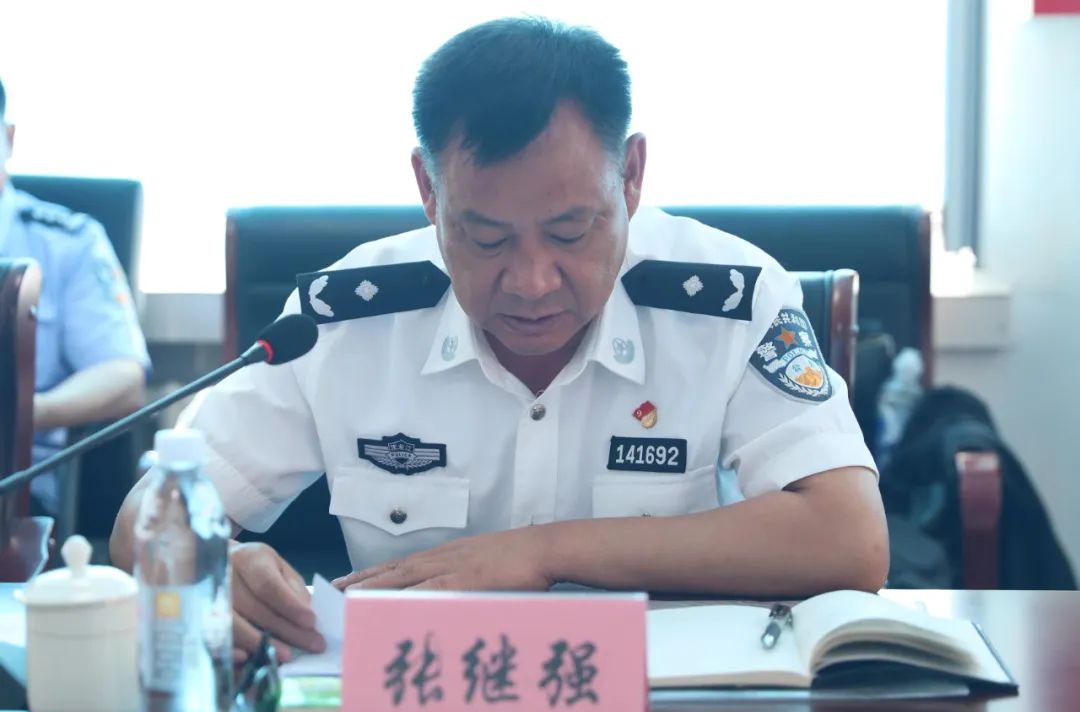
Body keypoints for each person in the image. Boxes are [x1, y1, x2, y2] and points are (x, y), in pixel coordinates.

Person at [112, 17, 889, 664]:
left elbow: (850, 538)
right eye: (486, 239)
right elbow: (147, 516)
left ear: (632, 174)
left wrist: (543, 552)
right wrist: (217, 566)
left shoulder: (729, 300)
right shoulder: (346, 318)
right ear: (428, 190)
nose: (532, 281)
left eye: (570, 231)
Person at [0, 76, 150, 516]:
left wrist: (22, 414)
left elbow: (122, 378)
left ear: (8, 139)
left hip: (14, 484)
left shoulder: (69, 242)